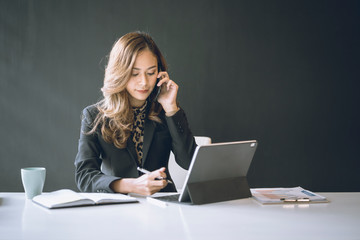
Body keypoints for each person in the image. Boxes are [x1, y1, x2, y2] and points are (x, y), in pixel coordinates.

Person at [74, 31, 197, 195]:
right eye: (134, 73)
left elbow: (190, 163)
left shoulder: (165, 112)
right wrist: (130, 185)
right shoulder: (94, 116)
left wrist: (171, 108)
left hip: (163, 206)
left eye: (151, 73)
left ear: (160, 73)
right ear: (120, 72)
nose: (144, 82)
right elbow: (84, 176)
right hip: (117, 207)